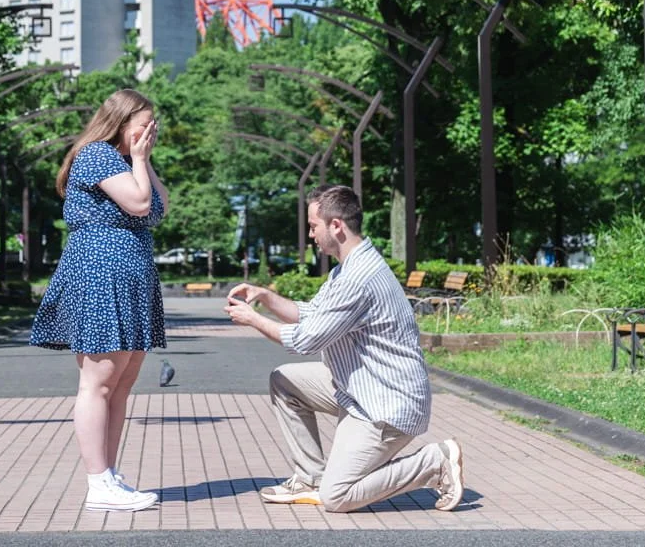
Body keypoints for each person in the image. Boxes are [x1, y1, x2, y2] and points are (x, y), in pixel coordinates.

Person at [224, 184, 465, 513]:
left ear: (335, 225)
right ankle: (310, 476)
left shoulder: (358, 278)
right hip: (360, 388)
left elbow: (306, 340)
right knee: (285, 381)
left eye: (313, 226)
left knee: (337, 496)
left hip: (386, 405)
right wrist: (265, 296)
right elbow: (310, 315)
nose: (311, 234)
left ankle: (434, 462)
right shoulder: (347, 269)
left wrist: (253, 319)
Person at [29, 88, 169, 512]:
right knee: (98, 381)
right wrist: (141, 161)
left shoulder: (128, 162)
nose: (149, 133)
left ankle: (108, 474)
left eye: (152, 126)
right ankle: (97, 482)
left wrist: (144, 160)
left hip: (130, 276)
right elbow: (141, 203)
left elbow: (161, 208)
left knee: (122, 383)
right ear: (120, 122)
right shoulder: (96, 155)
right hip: (100, 272)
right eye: (143, 125)